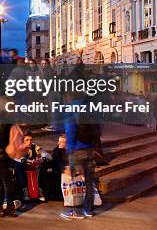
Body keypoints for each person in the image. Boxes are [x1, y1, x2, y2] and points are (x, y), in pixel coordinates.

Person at [60, 92, 99, 220]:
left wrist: (69, 149)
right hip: (90, 148)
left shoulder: (71, 108)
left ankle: (75, 211)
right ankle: (88, 209)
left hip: (77, 149)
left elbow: (70, 130)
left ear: (70, 96)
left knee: (74, 181)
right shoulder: (90, 106)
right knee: (89, 182)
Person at [0, 124, 17, 217]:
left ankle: (8, 207)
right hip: (5, 155)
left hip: (1, 156)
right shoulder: (9, 122)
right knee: (0, 182)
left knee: (5, 182)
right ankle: (0, 206)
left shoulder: (2, 123)